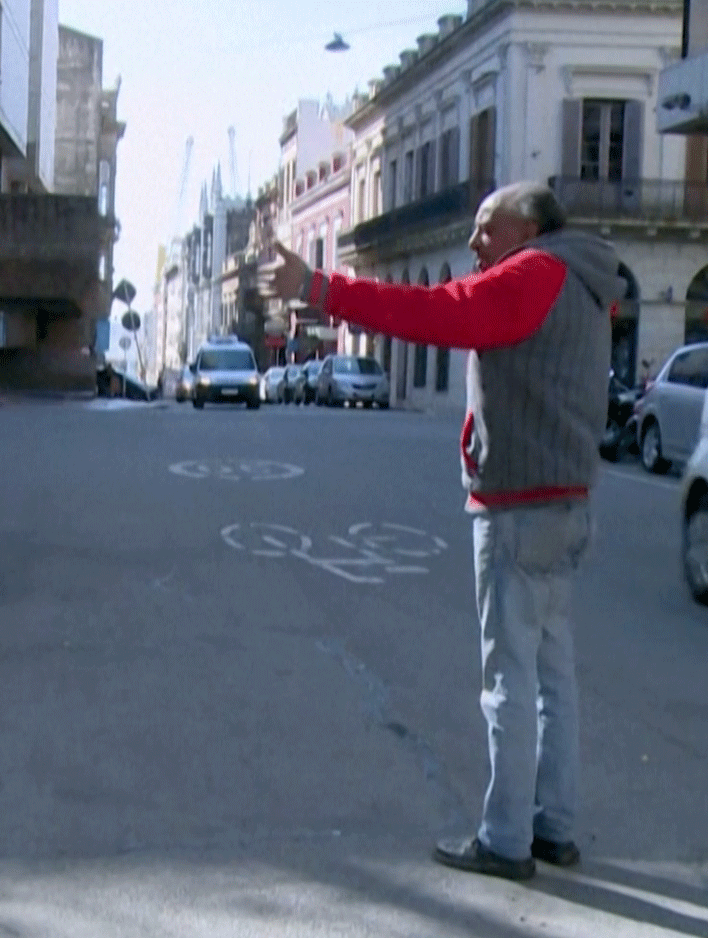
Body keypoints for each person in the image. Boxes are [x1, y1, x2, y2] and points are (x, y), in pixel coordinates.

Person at [264, 181, 624, 882]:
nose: (473, 241)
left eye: (487, 226)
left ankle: (505, 839)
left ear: (526, 229)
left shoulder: (532, 273)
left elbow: (433, 312)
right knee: (553, 675)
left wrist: (318, 287)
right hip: (568, 501)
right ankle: (554, 826)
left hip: (518, 504)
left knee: (508, 678)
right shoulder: (584, 282)